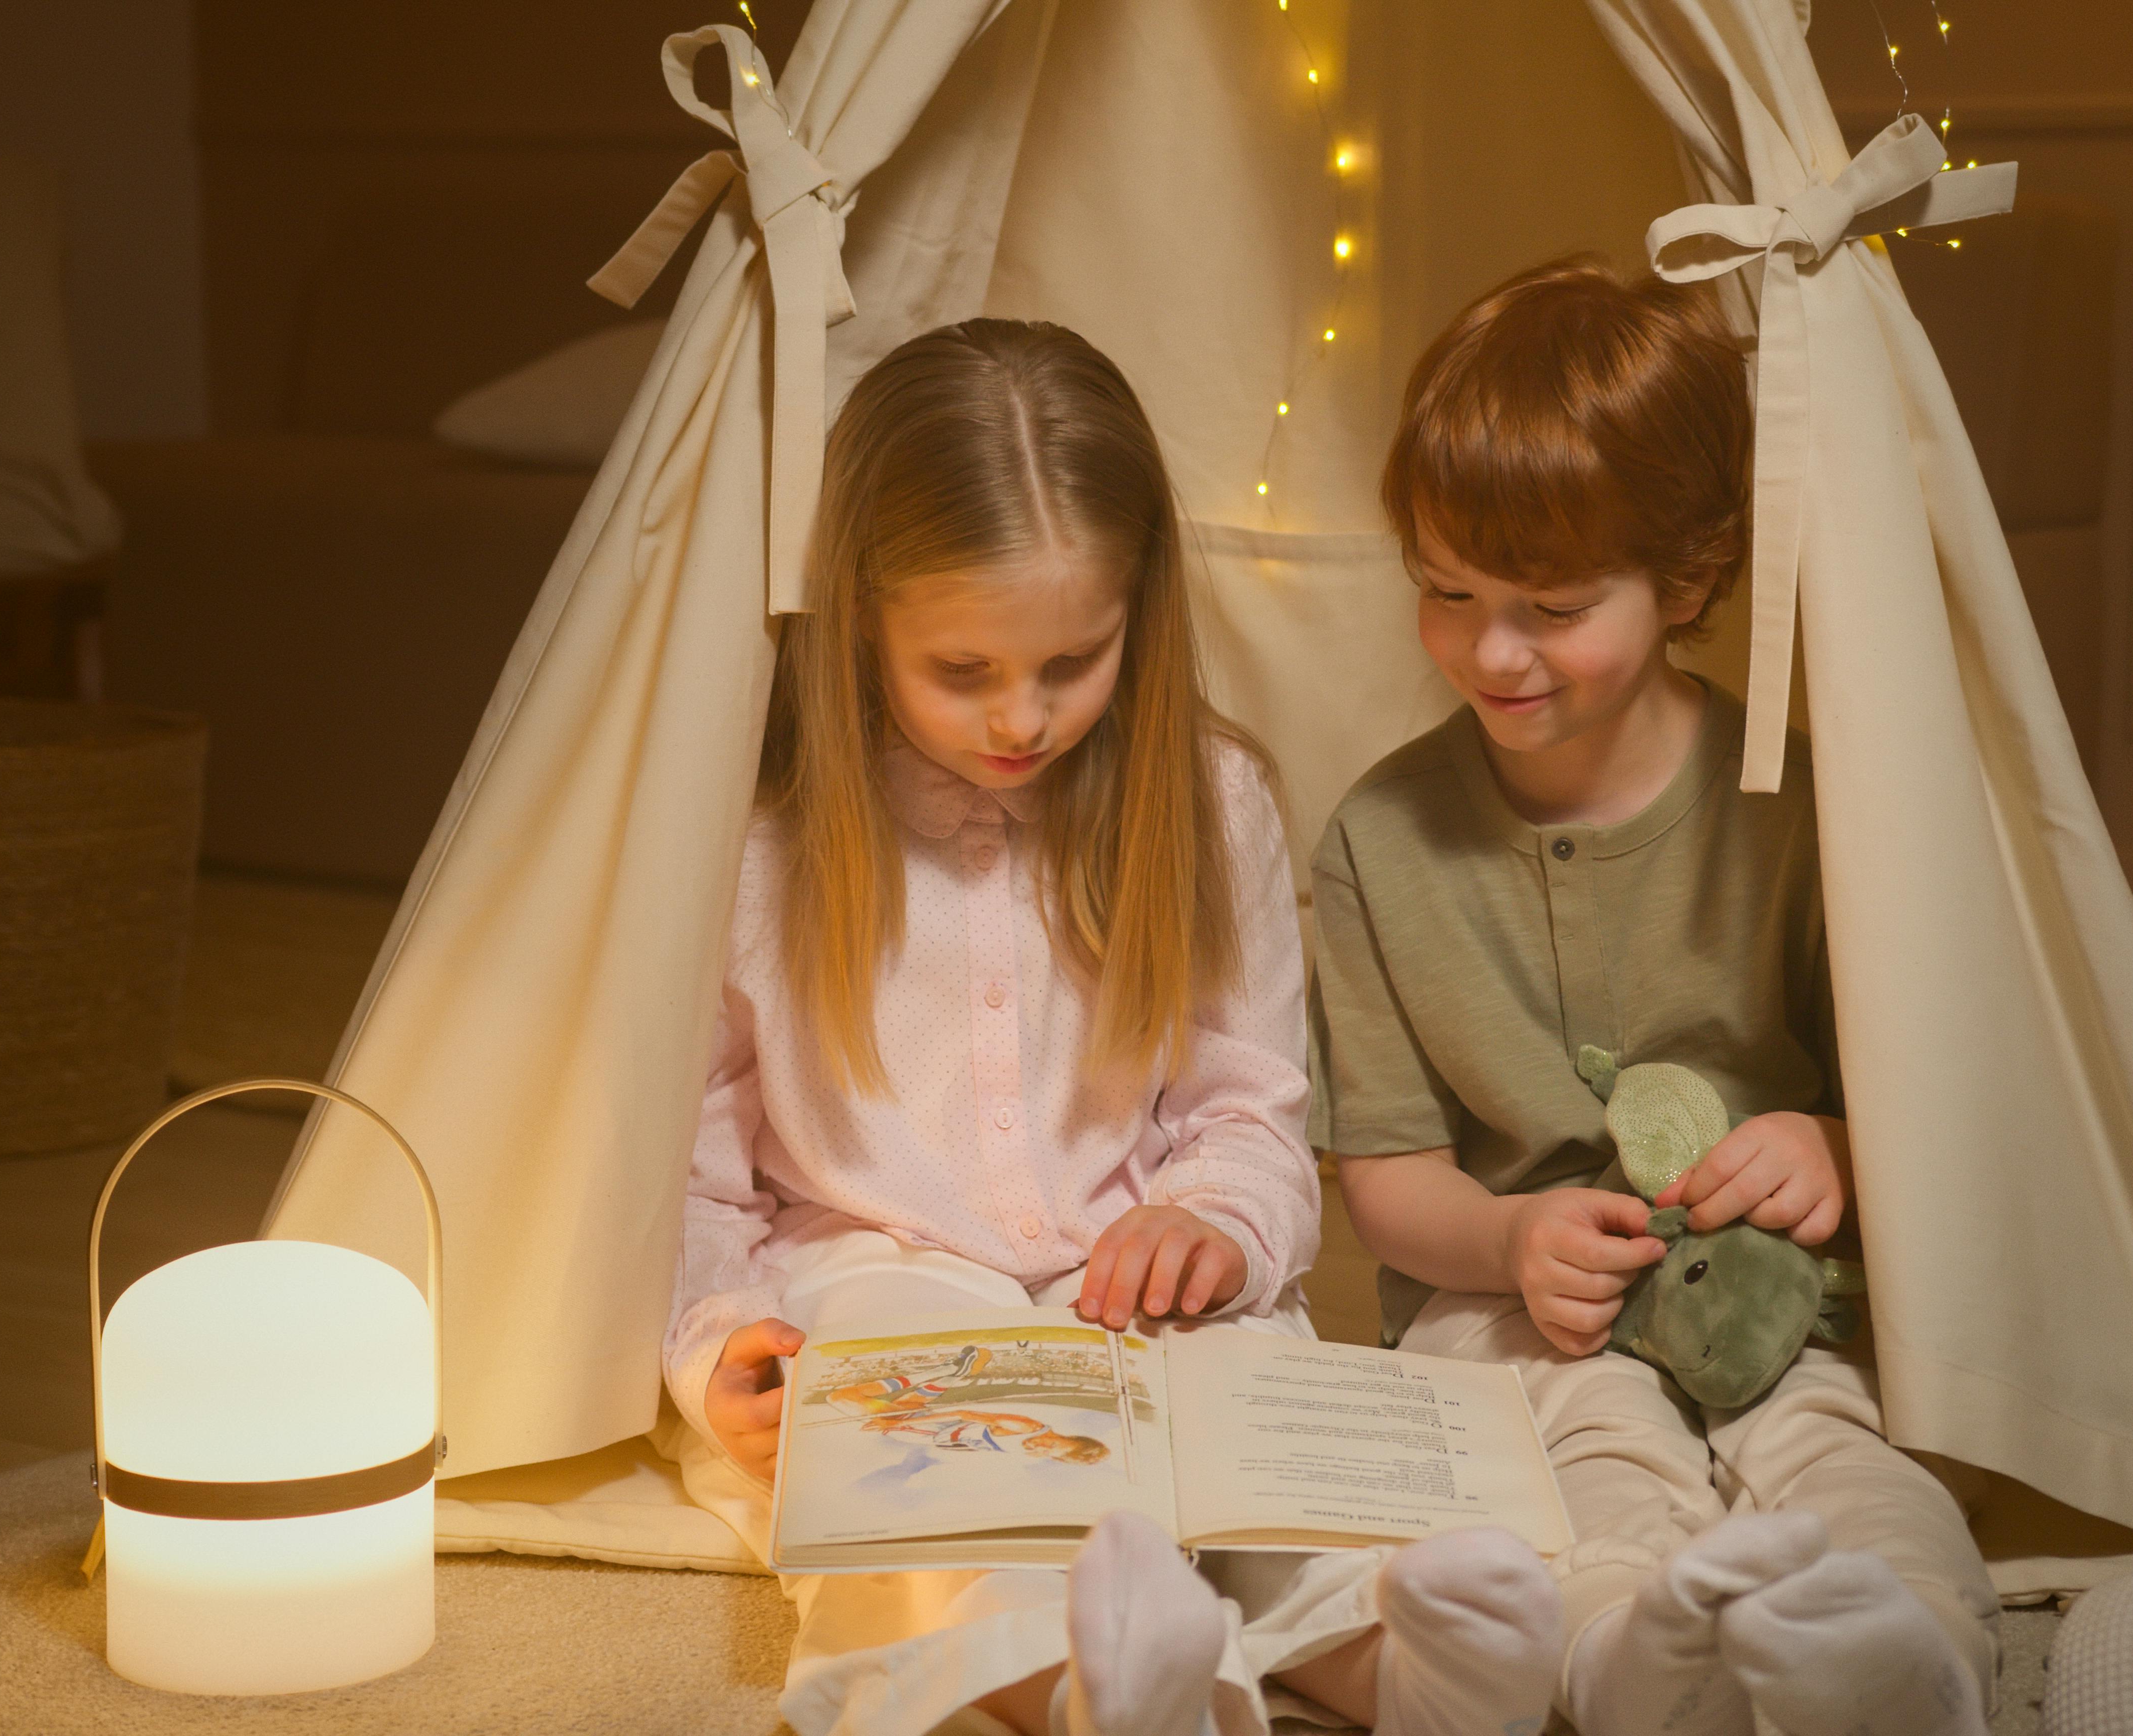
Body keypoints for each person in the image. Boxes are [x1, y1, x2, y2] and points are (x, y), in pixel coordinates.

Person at [662, 318, 1562, 1736]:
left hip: (1136, 1271)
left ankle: (1415, 1669)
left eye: (1072, 662)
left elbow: (1250, 1110)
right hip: (878, 1274)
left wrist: (1217, 1220)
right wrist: (719, 1349)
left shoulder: (1213, 802)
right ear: (859, 618)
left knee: (1276, 1434)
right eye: (963, 672)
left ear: (1140, 610)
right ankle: (1107, 1691)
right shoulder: (762, 839)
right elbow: (695, 1176)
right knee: (939, 1515)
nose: (1021, 718)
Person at [1313, 260, 2002, 1736]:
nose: (1492, 651)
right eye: (1447, 593)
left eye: (1553, 607)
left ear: (1687, 581)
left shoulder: (1807, 807)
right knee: (1580, 1469)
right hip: (1514, 1311)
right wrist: (1506, 1238)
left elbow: (1942, 1093)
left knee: (1845, 1442)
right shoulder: (1379, 839)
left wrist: (1831, 1140)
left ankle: (1906, 1657)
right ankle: (1632, 1666)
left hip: (1781, 1293)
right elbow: (1386, 1180)